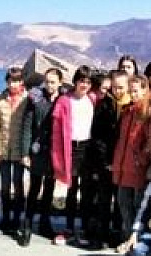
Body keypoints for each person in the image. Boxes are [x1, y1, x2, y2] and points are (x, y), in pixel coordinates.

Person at [52, 65, 97, 247]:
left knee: (86, 191)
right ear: (75, 82)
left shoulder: (93, 99)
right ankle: (69, 228)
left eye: (87, 81)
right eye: (81, 81)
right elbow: (56, 130)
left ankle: (85, 228)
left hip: (87, 149)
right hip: (69, 147)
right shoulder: (64, 100)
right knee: (71, 190)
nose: (84, 84)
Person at [17, 67, 62, 245]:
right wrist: (25, 153)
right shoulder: (35, 98)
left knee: (49, 189)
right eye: (47, 81)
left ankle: (45, 223)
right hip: (37, 151)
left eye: (53, 82)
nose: (49, 85)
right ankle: (27, 225)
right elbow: (27, 126)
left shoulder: (63, 100)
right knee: (34, 188)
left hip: (54, 152)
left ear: (59, 82)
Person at [115, 73, 151, 249]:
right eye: (130, 91)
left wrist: (140, 158)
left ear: (144, 90)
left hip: (138, 167)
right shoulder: (128, 110)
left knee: (138, 206)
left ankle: (136, 242)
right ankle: (127, 239)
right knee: (123, 203)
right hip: (123, 166)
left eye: (136, 91)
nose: (132, 94)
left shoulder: (148, 111)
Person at [86, 69, 129, 247]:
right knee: (104, 200)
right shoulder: (104, 105)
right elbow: (97, 135)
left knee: (121, 202)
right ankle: (101, 234)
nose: (118, 91)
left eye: (121, 87)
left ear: (127, 87)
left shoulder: (131, 106)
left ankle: (118, 234)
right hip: (106, 163)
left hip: (124, 163)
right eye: (115, 87)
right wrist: (106, 161)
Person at [0, 66, 29, 235]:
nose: (14, 84)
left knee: (18, 184)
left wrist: (26, 152)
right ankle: (5, 218)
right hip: (4, 149)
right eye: (11, 81)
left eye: (17, 81)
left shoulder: (28, 99)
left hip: (20, 150)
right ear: (6, 81)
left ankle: (17, 219)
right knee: (5, 186)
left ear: (22, 82)